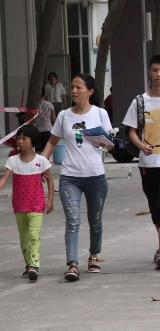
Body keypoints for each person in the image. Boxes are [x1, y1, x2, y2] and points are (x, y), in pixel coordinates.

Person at [42, 74, 113, 281]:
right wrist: (40, 164)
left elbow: (110, 143)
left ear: (90, 92)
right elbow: (52, 142)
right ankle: (72, 264)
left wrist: (103, 141)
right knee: (73, 220)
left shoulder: (100, 114)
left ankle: (93, 255)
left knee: (95, 220)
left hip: (95, 176)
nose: (74, 91)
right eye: (72, 86)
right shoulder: (64, 116)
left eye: (78, 87)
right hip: (70, 177)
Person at [123, 55, 160, 270]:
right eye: (155, 70)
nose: (158, 75)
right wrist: (140, 146)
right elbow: (131, 130)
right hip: (147, 163)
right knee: (155, 206)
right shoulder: (139, 101)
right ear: (149, 72)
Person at [0, 125, 54, 281]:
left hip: (36, 205)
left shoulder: (41, 161)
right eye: (18, 138)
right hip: (19, 205)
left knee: (33, 235)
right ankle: (28, 264)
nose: (20, 141)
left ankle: (34, 265)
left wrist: (49, 200)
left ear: (33, 141)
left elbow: (50, 180)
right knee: (23, 237)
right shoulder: (12, 161)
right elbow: (4, 179)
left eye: (24, 138)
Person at [33, 87, 56, 153]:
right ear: (44, 94)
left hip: (37, 130)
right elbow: (53, 118)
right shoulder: (49, 104)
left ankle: (38, 163)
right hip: (48, 130)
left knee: (37, 151)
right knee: (47, 151)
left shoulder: (35, 105)